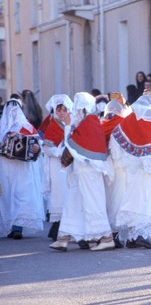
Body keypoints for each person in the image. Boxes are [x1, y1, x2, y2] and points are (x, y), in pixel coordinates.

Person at [49, 92, 115, 251]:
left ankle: (106, 237)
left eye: (78, 108)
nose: (75, 111)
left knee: (93, 203)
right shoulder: (85, 122)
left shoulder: (90, 123)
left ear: (83, 108)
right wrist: (68, 126)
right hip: (81, 171)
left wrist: (67, 126)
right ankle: (63, 238)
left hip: (89, 172)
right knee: (72, 202)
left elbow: (71, 144)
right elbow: (70, 143)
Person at [109, 89, 151, 249]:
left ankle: (132, 236)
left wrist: (121, 160)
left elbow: (115, 137)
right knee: (145, 201)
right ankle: (139, 235)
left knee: (132, 200)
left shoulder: (130, 117)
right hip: (145, 169)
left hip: (130, 168)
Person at [0, 98, 44, 239]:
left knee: (21, 195)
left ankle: (17, 227)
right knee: (7, 196)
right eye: (10, 111)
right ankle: (9, 225)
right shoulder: (2, 130)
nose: (12, 113)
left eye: (15, 110)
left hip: (22, 169)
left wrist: (36, 148)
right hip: (5, 168)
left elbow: (37, 146)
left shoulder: (27, 127)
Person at [101, 93, 131, 248]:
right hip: (120, 166)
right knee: (118, 200)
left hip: (106, 165)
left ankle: (108, 232)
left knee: (108, 199)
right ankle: (116, 233)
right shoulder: (124, 123)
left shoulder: (103, 123)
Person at [42, 94, 73, 241]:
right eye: (59, 109)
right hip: (56, 165)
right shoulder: (53, 125)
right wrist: (58, 152)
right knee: (59, 195)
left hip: (70, 166)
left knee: (70, 194)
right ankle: (57, 229)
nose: (61, 112)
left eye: (64, 109)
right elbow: (47, 147)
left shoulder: (72, 124)